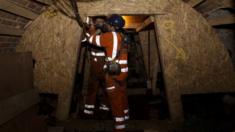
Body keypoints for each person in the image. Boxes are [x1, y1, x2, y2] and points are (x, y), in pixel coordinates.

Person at [87, 14, 129, 132]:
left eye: (108, 24)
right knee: (122, 95)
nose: (107, 26)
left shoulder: (109, 36)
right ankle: (126, 117)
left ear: (111, 26)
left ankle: (120, 127)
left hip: (113, 74)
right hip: (124, 73)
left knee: (115, 101)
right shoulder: (123, 36)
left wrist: (92, 27)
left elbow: (91, 40)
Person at [83, 16, 110, 118]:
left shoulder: (108, 33)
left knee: (107, 88)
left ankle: (105, 107)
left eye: (101, 22)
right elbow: (84, 40)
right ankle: (88, 110)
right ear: (94, 23)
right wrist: (92, 29)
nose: (100, 23)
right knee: (92, 87)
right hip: (95, 65)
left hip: (105, 65)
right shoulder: (91, 31)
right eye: (98, 22)